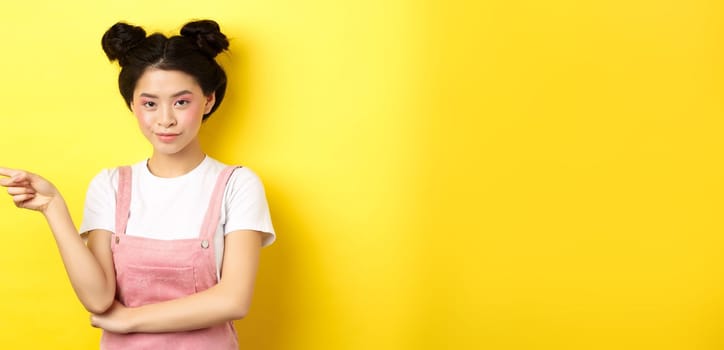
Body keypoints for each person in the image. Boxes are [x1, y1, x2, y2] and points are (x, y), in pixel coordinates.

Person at [0, 19, 275, 349]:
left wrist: (129, 319)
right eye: (149, 103)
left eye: (181, 102)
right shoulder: (111, 185)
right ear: (132, 105)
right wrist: (52, 206)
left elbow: (233, 300)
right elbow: (99, 299)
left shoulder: (237, 185)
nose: (165, 119)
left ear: (208, 101)